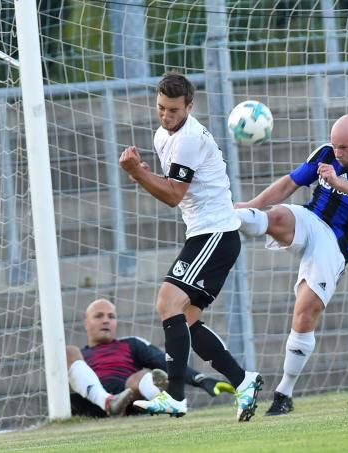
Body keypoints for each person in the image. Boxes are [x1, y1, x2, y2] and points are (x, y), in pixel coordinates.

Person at [119, 72, 262, 420]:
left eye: (173, 110)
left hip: (215, 235)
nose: (165, 116)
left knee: (167, 302)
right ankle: (244, 381)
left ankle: (177, 397)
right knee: (186, 319)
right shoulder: (161, 136)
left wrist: (138, 174)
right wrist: (145, 174)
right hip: (207, 236)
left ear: (189, 107)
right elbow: (170, 185)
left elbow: (172, 196)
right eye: (160, 108)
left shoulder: (189, 138)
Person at [235, 114, 348, 415]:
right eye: (335, 146)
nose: (338, 153)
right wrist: (251, 204)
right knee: (276, 215)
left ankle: (284, 393)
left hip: (335, 244)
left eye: (344, 147)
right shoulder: (324, 153)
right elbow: (290, 183)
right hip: (311, 220)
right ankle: (229, 217)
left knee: (305, 312)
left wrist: (339, 182)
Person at [66, 298, 234, 418]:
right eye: (98, 316)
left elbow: (164, 361)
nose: (106, 321)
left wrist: (200, 379)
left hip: (130, 398)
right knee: (68, 351)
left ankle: (165, 405)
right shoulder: (79, 357)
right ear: (85, 322)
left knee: (142, 376)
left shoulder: (131, 344)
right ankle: (108, 402)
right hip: (92, 403)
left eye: (111, 316)